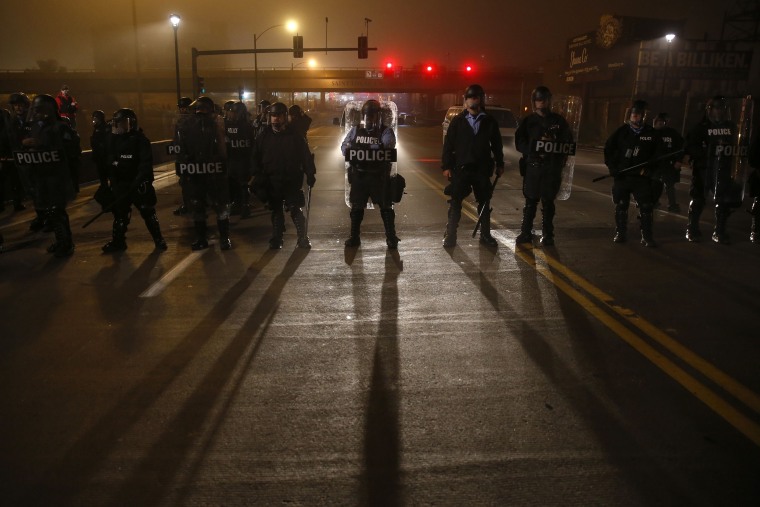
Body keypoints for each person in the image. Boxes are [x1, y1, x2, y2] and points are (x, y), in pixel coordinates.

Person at [16, 94, 80, 257]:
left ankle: (66, 243)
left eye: (39, 110)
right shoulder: (37, 128)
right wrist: (26, 145)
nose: (36, 113)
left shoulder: (61, 126)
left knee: (57, 210)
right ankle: (61, 241)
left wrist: (43, 145)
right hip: (42, 175)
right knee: (50, 212)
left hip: (57, 176)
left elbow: (70, 150)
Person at [441, 84, 505, 247]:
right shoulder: (458, 121)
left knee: (484, 203)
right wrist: (446, 166)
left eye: (477, 97)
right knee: (455, 203)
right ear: (466, 100)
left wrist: (500, 163)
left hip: (482, 169)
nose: (474, 100)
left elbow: (497, 145)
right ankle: (451, 235)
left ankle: (485, 235)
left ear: (481, 100)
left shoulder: (489, 121)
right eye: (471, 97)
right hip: (461, 169)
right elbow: (448, 145)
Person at [251, 102, 316, 249]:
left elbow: (305, 155)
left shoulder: (295, 135)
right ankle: (277, 238)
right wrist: (257, 174)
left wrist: (310, 172)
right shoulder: (264, 136)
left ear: (285, 117)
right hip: (272, 180)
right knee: (276, 210)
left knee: (295, 209)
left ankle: (302, 238)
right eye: (273, 116)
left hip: (291, 179)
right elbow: (255, 157)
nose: (276, 119)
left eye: (279, 116)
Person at [100, 109, 167, 252]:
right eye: (119, 123)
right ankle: (118, 242)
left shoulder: (140, 140)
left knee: (147, 211)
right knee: (120, 214)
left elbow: (145, 163)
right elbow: (109, 162)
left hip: (138, 184)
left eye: (124, 123)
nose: (121, 126)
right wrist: (113, 182)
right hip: (121, 184)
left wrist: (139, 180)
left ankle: (159, 240)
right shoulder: (112, 140)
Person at [514, 86, 573, 246]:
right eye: (539, 100)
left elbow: (568, 141)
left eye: (544, 100)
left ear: (549, 101)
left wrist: (557, 150)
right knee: (531, 202)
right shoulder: (528, 121)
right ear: (534, 102)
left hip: (551, 167)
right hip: (534, 167)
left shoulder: (559, 121)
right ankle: (525, 232)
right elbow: (520, 143)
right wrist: (533, 150)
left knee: (548, 203)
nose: (542, 103)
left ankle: (548, 234)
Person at [683, 95, 743, 244]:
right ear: (709, 110)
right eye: (716, 108)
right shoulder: (701, 128)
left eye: (721, 108)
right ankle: (692, 229)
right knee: (698, 199)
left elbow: (738, 145)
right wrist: (703, 153)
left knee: (723, 201)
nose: (719, 111)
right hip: (704, 168)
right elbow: (690, 146)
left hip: (723, 169)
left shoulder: (731, 127)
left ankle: (720, 231)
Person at [340, 99, 399, 248]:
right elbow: (344, 147)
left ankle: (391, 237)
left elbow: (387, 146)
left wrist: (360, 148)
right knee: (356, 209)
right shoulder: (356, 129)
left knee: (386, 208)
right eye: (367, 115)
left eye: (372, 116)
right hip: (360, 175)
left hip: (379, 176)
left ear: (378, 116)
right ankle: (354, 237)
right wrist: (369, 148)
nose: (369, 119)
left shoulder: (386, 131)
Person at [604, 99, 662, 247]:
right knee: (621, 204)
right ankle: (621, 233)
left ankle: (647, 236)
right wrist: (613, 168)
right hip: (623, 175)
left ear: (643, 116)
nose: (634, 118)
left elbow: (658, 154)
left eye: (637, 115)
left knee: (646, 206)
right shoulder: (621, 132)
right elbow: (609, 150)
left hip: (641, 177)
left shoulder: (651, 134)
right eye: (633, 115)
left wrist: (651, 169)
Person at [176, 96, 232, 250]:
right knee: (199, 207)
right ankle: (204, 238)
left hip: (214, 172)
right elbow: (181, 150)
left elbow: (224, 149)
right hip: (199, 173)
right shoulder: (187, 126)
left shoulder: (217, 124)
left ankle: (223, 238)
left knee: (220, 207)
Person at [224, 101, 255, 218]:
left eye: (233, 112)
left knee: (241, 184)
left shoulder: (230, 125)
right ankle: (241, 205)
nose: (231, 114)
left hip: (239, 159)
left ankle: (243, 206)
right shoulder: (248, 126)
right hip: (239, 159)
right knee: (238, 184)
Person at [651, 112, 684, 212]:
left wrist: (679, 160)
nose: (660, 124)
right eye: (659, 122)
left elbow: (681, 147)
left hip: (669, 163)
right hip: (655, 164)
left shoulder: (672, 133)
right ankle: (654, 202)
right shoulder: (651, 133)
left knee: (669, 186)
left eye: (662, 122)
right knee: (654, 184)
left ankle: (672, 204)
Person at [172, 96, 193, 216]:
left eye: (184, 108)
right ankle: (187, 204)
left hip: (190, 157)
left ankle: (192, 205)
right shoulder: (179, 122)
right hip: (181, 156)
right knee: (184, 182)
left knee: (189, 182)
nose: (182, 111)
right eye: (181, 108)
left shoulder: (192, 121)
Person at [90, 110, 110, 187]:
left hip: (105, 156)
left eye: (95, 118)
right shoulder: (96, 128)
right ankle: (104, 188)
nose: (94, 120)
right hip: (99, 156)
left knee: (108, 173)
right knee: (101, 174)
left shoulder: (105, 128)